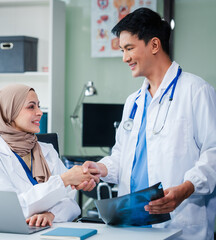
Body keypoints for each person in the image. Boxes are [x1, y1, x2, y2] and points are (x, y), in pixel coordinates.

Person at [82, 8, 216, 240]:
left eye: (129, 48)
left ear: (154, 45)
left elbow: (213, 152)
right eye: (123, 50)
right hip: (132, 224)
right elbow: (122, 156)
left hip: (180, 224)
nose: (125, 58)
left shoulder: (196, 91)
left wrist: (186, 188)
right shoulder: (133, 102)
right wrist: (101, 168)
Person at [0, 84, 98, 227]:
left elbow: (71, 202)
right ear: (10, 113)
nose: (40, 112)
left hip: (51, 231)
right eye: (31, 107)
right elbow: (9, 209)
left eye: (38, 106)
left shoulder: (47, 150)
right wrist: (63, 180)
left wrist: (51, 215)